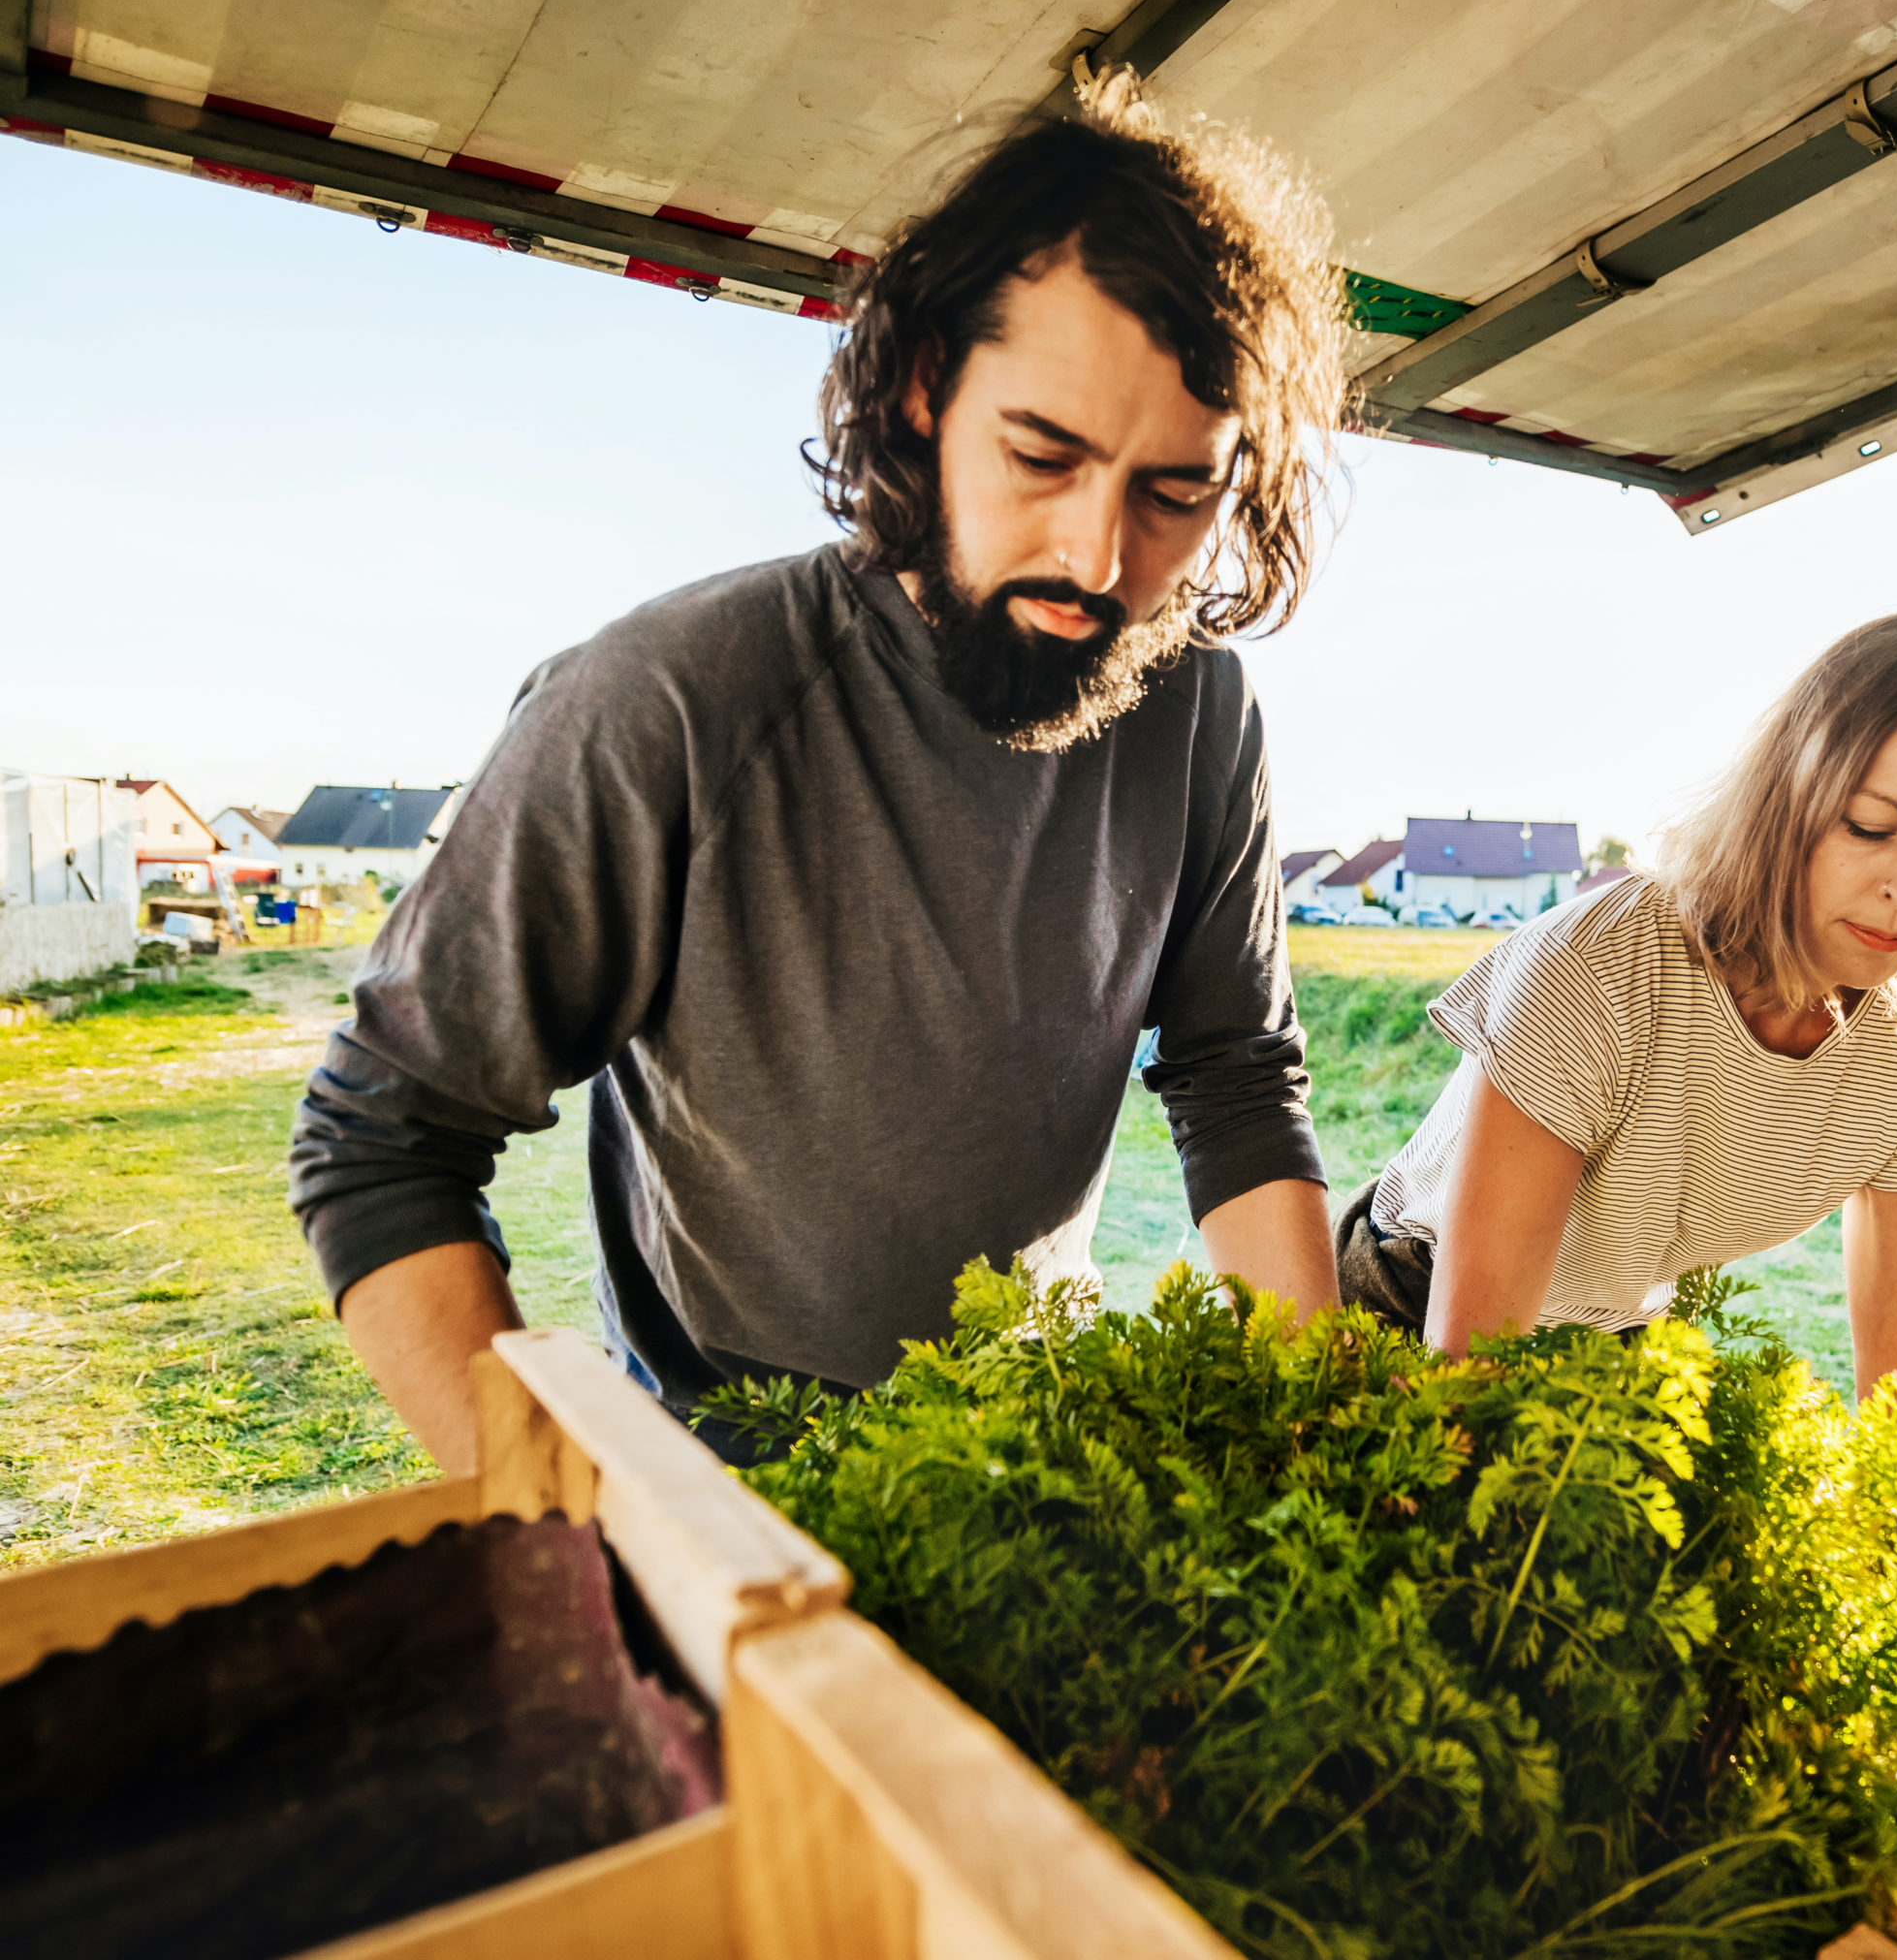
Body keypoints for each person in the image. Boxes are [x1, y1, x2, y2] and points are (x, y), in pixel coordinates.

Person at [291, 83, 1348, 1472]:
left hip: (1036, 1451)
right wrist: (606, 1531)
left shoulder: (1197, 711)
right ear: (924, 388)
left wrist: (1322, 1435)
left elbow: (1234, 1082)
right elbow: (384, 1143)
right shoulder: (668, 699)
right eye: (1043, 455)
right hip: (733, 1470)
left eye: (1175, 494)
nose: (1099, 561)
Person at [1336, 613, 1897, 1415]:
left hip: (1618, 1342)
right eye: (1871, 827)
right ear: (1789, 795)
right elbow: (1467, 1373)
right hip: (1406, 1320)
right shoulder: (1595, 976)